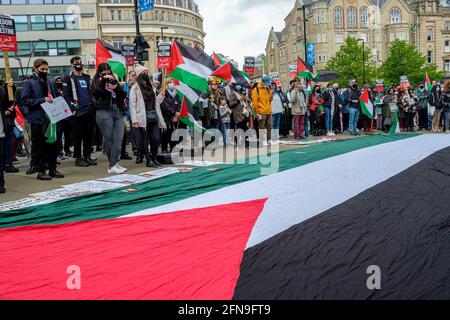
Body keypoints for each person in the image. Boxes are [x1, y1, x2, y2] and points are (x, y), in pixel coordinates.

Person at [21, 59, 64, 180]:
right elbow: (24, 100)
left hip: (51, 118)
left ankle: (53, 169)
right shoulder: (29, 83)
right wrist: (42, 100)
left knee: (53, 145)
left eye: (46, 69)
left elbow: (54, 96)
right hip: (37, 119)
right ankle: (41, 171)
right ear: (35, 69)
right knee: (39, 146)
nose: (45, 71)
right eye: (42, 69)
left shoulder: (50, 82)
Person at [91, 63, 127, 174]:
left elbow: (123, 95)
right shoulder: (96, 81)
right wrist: (104, 81)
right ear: (100, 72)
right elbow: (97, 92)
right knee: (109, 139)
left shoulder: (113, 80)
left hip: (117, 111)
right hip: (103, 111)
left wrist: (115, 86)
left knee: (119, 138)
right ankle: (112, 165)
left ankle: (115, 163)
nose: (107, 75)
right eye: (104, 73)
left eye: (108, 72)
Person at [129, 64, 166, 167]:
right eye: (143, 73)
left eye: (146, 72)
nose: (146, 74)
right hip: (142, 118)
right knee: (145, 139)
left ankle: (153, 157)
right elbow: (132, 105)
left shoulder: (151, 87)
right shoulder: (135, 88)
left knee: (156, 139)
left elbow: (156, 102)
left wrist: (161, 95)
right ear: (140, 75)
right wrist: (135, 120)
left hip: (153, 117)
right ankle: (148, 160)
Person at [63, 56, 96, 168]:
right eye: (76, 62)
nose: (79, 64)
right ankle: (78, 158)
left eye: (80, 62)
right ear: (71, 65)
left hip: (89, 110)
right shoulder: (69, 78)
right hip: (78, 111)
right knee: (78, 136)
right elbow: (66, 96)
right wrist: (72, 109)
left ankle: (87, 156)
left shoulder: (86, 77)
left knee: (88, 135)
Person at [160, 78, 182, 153]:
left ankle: (173, 148)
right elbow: (165, 105)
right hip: (166, 117)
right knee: (166, 133)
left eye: (172, 82)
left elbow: (179, 104)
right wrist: (173, 113)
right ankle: (164, 149)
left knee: (174, 134)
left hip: (175, 118)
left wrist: (177, 114)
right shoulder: (164, 93)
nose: (171, 84)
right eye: (169, 82)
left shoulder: (177, 94)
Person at [252, 75, 273, 146]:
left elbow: (270, 100)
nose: (267, 85)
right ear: (262, 82)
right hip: (261, 111)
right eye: (266, 83)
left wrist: (271, 94)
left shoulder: (268, 89)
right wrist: (257, 112)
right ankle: (263, 140)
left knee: (269, 126)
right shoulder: (256, 90)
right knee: (262, 127)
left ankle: (269, 139)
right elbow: (254, 103)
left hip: (268, 110)